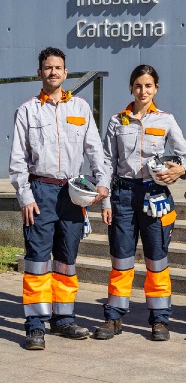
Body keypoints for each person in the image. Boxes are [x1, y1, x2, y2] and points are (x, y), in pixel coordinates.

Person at [9, 47, 111, 350]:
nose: (53, 72)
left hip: (72, 193)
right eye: (47, 67)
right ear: (39, 73)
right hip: (40, 191)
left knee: (67, 259)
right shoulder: (27, 110)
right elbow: (18, 160)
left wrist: (102, 183)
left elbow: (95, 149)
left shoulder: (80, 108)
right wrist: (25, 197)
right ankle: (35, 325)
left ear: (65, 73)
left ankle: (64, 318)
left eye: (58, 68)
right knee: (38, 261)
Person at [95, 64, 186, 342]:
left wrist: (180, 170)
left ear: (156, 89)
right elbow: (106, 162)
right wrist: (106, 201)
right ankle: (114, 316)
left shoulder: (165, 120)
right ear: (131, 87)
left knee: (157, 258)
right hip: (123, 195)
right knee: (121, 258)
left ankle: (160, 320)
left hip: (155, 195)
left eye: (148, 86)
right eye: (138, 85)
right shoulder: (117, 121)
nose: (143, 91)